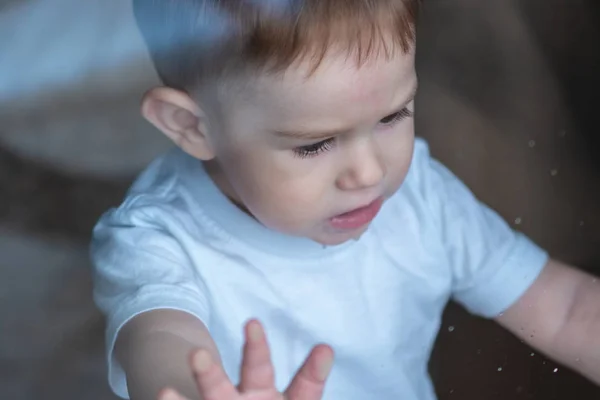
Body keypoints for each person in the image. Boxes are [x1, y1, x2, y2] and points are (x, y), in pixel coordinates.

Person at [90, 0, 600, 399]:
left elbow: (565, 309)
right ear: (192, 126)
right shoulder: (156, 238)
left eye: (393, 115)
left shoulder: (421, 196)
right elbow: (161, 340)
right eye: (314, 143)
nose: (369, 172)